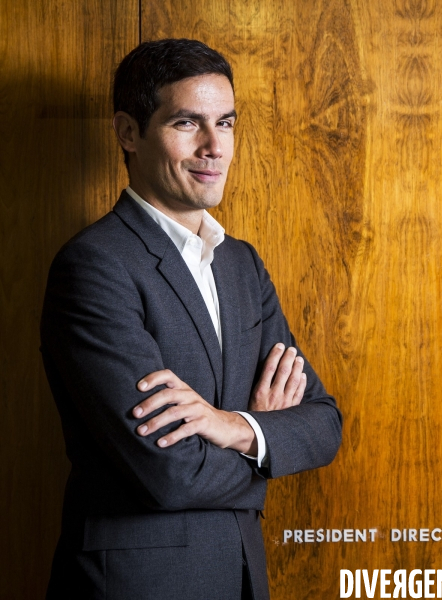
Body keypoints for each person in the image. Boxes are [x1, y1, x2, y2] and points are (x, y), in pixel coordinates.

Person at [40, 38, 342, 600]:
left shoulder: (241, 264)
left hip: (243, 576)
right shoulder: (94, 267)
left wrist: (232, 427)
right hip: (139, 585)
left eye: (225, 123)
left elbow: (324, 424)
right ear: (129, 132)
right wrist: (267, 447)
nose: (214, 147)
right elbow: (168, 473)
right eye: (187, 123)